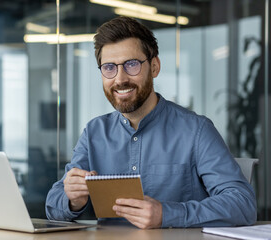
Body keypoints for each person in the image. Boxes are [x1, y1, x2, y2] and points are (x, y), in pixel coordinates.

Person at [45, 16, 257, 229]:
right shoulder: (94, 132)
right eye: (109, 67)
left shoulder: (196, 130)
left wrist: (168, 214)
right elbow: (53, 205)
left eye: (132, 64)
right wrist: (73, 200)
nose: (120, 79)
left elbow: (242, 203)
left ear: (154, 67)